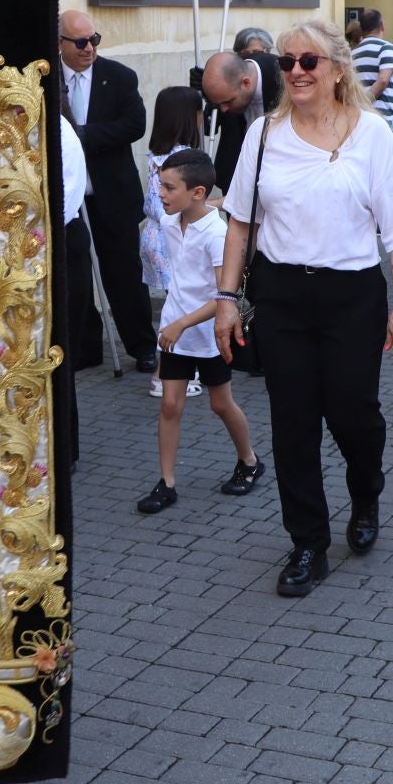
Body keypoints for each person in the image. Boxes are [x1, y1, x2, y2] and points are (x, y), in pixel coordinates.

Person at [212, 19, 393, 597]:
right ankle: (307, 542)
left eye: (309, 61)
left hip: (351, 295)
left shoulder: (373, 135)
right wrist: (226, 299)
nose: (297, 72)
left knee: (354, 414)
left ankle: (366, 491)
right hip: (281, 295)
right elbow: (238, 224)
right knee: (294, 422)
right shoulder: (263, 136)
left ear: (335, 68)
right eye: (286, 63)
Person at [139, 149, 265, 512]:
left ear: (197, 193)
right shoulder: (167, 222)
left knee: (220, 403)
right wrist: (173, 321)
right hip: (175, 331)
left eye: (168, 187)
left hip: (210, 333)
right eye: (159, 185)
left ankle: (250, 461)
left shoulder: (217, 233)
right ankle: (166, 482)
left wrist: (182, 322)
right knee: (169, 404)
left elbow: (223, 297)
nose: (160, 194)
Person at [59, 9, 158, 372]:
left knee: (124, 274)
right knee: (76, 272)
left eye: (94, 40)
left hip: (112, 193)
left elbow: (134, 124)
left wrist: (82, 136)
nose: (90, 48)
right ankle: (87, 347)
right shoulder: (46, 77)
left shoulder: (118, 77)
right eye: (81, 42)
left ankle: (143, 346)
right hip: (70, 196)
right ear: (61, 43)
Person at [140, 86, 204, 396]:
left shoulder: (157, 154)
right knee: (178, 307)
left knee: (177, 303)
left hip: (155, 235)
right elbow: (169, 204)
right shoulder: (182, 160)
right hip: (169, 237)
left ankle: (178, 371)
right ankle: (164, 376)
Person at [202, 43, 283, 191]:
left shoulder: (280, 74)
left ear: (246, 83)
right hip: (235, 177)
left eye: (228, 101)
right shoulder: (225, 86)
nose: (224, 109)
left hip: (277, 177)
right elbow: (208, 129)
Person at [352, 7, 393, 131]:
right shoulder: (386, 48)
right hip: (384, 117)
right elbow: (383, 80)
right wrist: (366, 103)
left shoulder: (352, 53)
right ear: (382, 25)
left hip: (361, 118)